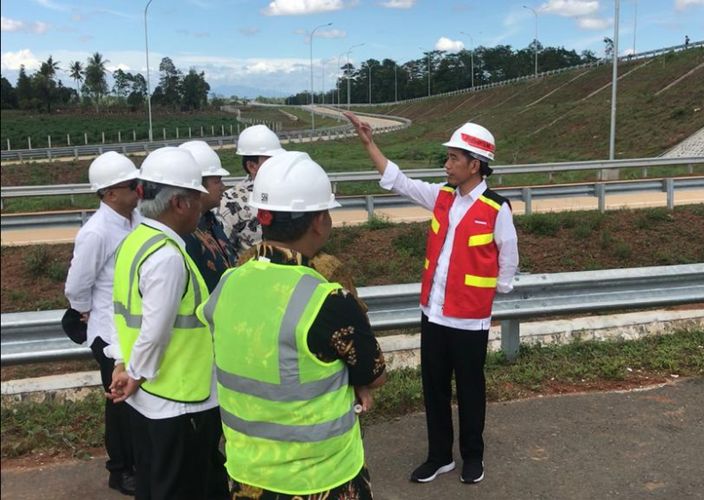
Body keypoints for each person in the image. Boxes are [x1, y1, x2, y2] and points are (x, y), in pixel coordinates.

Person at [197, 151, 387, 499]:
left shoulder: (227, 285)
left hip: (248, 477)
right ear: (319, 221)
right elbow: (373, 373)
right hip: (322, 480)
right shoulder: (328, 301)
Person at [344, 112, 519, 485]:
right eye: (448, 157)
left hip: (470, 320)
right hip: (434, 315)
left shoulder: (496, 208)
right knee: (434, 388)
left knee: (471, 390)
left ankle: (473, 456)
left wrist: (487, 292)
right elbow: (399, 182)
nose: (448, 164)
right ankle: (439, 456)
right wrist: (369, 143)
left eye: (455, 158)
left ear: (476, 164)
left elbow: (508, 262)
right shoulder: (441, 196)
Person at [108, 146, 229, 500]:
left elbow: (120, 311)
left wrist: (122, 364)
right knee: (182, 487)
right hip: (181, 400)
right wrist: (135, 373)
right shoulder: (167, 257)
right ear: (179, 203)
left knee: (157, 484)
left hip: (149, 398)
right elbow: (155, 329)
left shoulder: (135, 242)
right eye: (196, 197)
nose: (199, 206)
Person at [64, 151, 140, 496]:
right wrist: (83, 311)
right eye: (131, 185)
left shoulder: (135, 220)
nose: (139, 189)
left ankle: (138, 462)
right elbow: (77, 286)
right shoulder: (96, 232)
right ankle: (120, 470)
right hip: (109, 332)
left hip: (131, 328)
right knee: (119, 404)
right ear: (109, 193)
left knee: (136, 400)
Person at [216, 124, 286, 253]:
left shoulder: (289, 191)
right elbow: (225, 251)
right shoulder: (230, 200)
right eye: (271, 160)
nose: (278, 165)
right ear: (252, 166)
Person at [179, 140, 237, 291]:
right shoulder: (184, 233)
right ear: (198, 185)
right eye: (217, 181)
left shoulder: (211, 222)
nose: (223, 187)